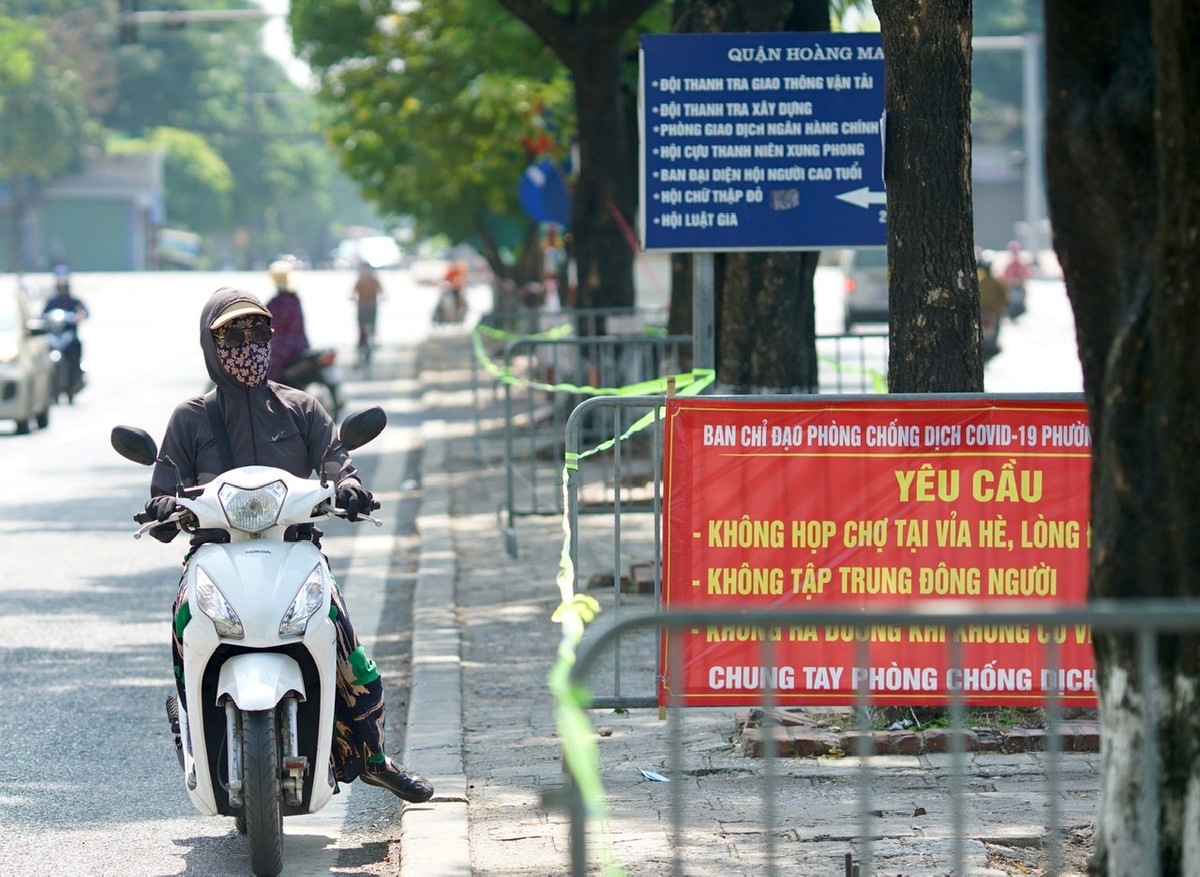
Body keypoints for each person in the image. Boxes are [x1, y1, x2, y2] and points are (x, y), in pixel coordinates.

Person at [142, 287, 433, 803]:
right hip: (214, 556)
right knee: (184, 626)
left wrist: (349, 488)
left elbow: (337, 461)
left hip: (295, 552)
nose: (247, 343)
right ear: (210, 343)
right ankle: (191, 720)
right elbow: (163, 492)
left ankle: (372, 756)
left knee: (347, 646)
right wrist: (164, 507)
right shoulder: (189, 419)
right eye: (232, 333)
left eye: (257, 331)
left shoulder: (302, 407)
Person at [42, 264, 89, 389]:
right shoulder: (52, 301)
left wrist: (80, 316)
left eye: (64, 285)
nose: (62, 287)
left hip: (69, 336)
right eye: (60, 284)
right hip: (55, 335)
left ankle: (77, 375)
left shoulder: (74, 301)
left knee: (76, 347)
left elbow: (84, 312)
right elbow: (43, 315)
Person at [264, 258, 310, 382]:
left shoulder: (280, 301)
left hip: (285, 346)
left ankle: (269, 394)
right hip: (300, 343)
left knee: (264, 364)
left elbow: (272, 324)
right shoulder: (293, 298)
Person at [351, 262, 383, 366]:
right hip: (362, 306)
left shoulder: (374, 280)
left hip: (372, 307)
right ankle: (360, 350)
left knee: (372, 326)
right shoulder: (360, 280)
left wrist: (381, 298)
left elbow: (382, 292)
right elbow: (352, 293)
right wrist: (353, 299)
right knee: (361, 329)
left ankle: (373, 340)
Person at [978, 256, 1009, 359]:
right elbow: (1003, 297)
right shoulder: (995, 281)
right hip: (991, 311)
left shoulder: (980, 281)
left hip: (986, 311)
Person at [1002, 240, 1031, 319]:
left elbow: (1026, 275)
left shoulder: (1021, 263)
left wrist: (1021, 282)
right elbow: (1005, 275)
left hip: (1019, 286)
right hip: (1011, 287)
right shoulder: (1009, 263)